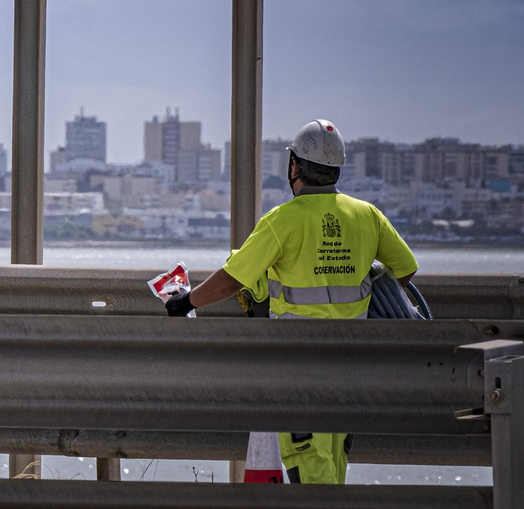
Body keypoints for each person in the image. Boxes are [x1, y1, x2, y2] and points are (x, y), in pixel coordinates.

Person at [164, 119, 420, 484]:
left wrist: (186, 302)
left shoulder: (282, 220)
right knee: (333, 463)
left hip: (300, 362)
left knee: (309, 467)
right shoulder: (367, 215)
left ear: (295, 167)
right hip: (353, 362)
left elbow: (231, 279)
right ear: (336, 168)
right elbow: (404, 269)